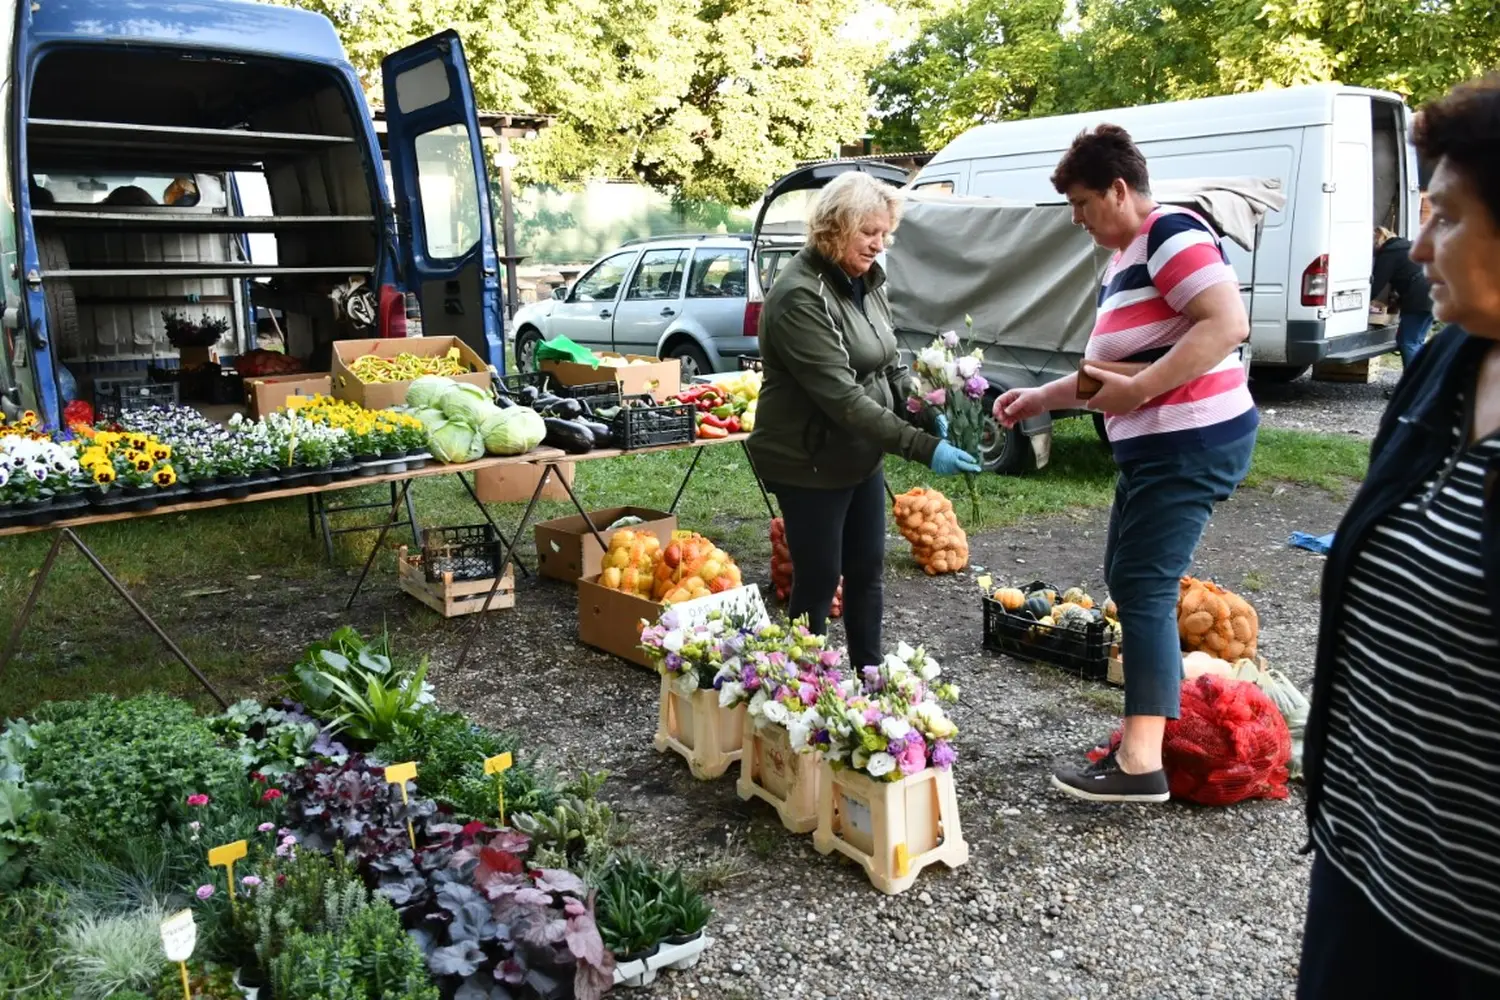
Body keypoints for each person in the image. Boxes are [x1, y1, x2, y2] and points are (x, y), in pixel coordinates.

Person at [1297, 74, 1500, 998]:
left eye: (1448, 218)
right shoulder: (1453, 364)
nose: (1417, 248)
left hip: (1467, 939)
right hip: (1360, 867)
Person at [992, 125, 1257, 803]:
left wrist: (1139, 392)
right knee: (1130, 579)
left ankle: (1141, 764)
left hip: (1189, 442)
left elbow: (1226, 324)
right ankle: (1143, 739)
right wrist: (1038, 398)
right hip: (1159, 448)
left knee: (1141, 585)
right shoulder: (1126, 257)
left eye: (1082, 203)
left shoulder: (1171, 233)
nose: (1077, 219)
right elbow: (1109, 371)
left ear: (1118, 188)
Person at [747, 171, 980, 670]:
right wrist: (920, 446)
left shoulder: (865, 281)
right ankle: (799, 686)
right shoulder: (799, 296)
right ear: (834, 227)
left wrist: (923, 409)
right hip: (807, 457)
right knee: (820, 577)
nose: (880, 243)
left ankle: (867, 677)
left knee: (867, 570)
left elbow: (887, 359)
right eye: (869, 232)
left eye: (884, 232)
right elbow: (843, 398)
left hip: (858, 453)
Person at [1371, 225, 1434, 369]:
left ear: (1376, 243)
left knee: (1408, 342)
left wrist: (1363, 304)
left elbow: (1377, 283)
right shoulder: (1406, 247)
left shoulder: (1389, 253)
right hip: (1434, 296)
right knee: (1416, 341)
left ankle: (1413, 385)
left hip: (1419, 299)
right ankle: (1421, 382)